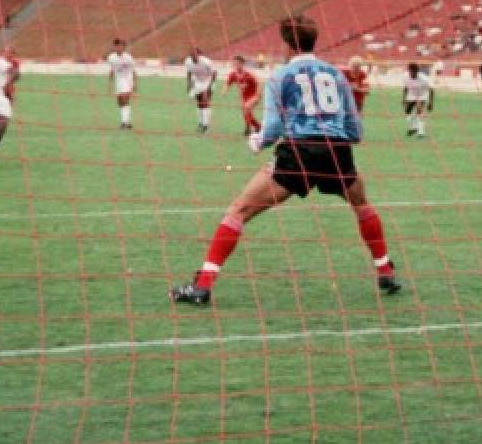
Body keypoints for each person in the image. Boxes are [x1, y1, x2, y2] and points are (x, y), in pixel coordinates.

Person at [170, 15, 399, 306]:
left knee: (239, 210)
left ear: (288, 45)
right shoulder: (336, 74)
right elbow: (355, 128)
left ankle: (203, 286)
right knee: (362, 206)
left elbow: (274, 129)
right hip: (337, 151)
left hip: (299, 153)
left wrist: (258, 141)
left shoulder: (281, 76)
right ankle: (385, 271)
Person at [224, 55, 261, 135]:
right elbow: (228, 83)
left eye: (238, 63)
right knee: (246, 112)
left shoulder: (248, 75)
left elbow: (258, 83)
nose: (236, 65)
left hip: (254, 95)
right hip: (244, 97)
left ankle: (250, 128)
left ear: (242, 64)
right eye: (234, 63)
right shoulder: (233, 74)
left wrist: (258, 94)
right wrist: (225, 90)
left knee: (246, 108)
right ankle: (256, 127)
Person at [105, 39, 137, 129]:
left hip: (128, 80)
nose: (118, 48)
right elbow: (112, 70)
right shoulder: (111, 57)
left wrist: (135, 83)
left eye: (120, 46)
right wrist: (109, 84)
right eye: (116, 46)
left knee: (124, 99)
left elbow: (134, 71)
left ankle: (124, 123)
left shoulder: (128, 57)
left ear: (124, 47)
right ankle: (127, 122)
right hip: (118, 81)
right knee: (120, 102)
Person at [185, 46, 216, 133]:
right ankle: (200, 123)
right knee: (199, 104)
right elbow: (189, 72)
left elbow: (214, 73)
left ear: (199, 54)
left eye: (195, 53)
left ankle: (206, 125)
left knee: (205, 102)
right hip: (197, 82)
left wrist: (211, 85)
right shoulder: (188, 61)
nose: (193, 55)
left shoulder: (206, 61)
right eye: (191, 53)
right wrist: (189, 84)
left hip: (208, 81)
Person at [403, 62, 432, 138]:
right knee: (407, 111)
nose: (411, 74)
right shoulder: (405, 76)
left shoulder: (424, 78)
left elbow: (431, 90)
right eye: (410, 71)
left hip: (422, 95)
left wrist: (430, 102)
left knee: (419, 112)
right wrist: (404, 98)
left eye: (413, 72)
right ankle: (414, 127)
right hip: (412, 94)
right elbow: (405, 87)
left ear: (417, 71)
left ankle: (421, 132)